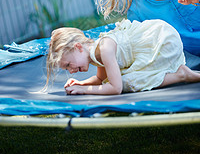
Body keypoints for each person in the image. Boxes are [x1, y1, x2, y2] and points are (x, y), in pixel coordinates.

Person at [46, 19, 200, 95]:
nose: (71, 71)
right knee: (115, 78)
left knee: (127, 82)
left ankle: (180, 75)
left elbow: (116, 88)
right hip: (154, 45)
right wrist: (81, 84)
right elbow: (100, 80)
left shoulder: (105, 48)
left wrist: (85, 91)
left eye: (68, 65)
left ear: (78, 47)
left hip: (161, 41)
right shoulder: (94, 55)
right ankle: (178, 73)